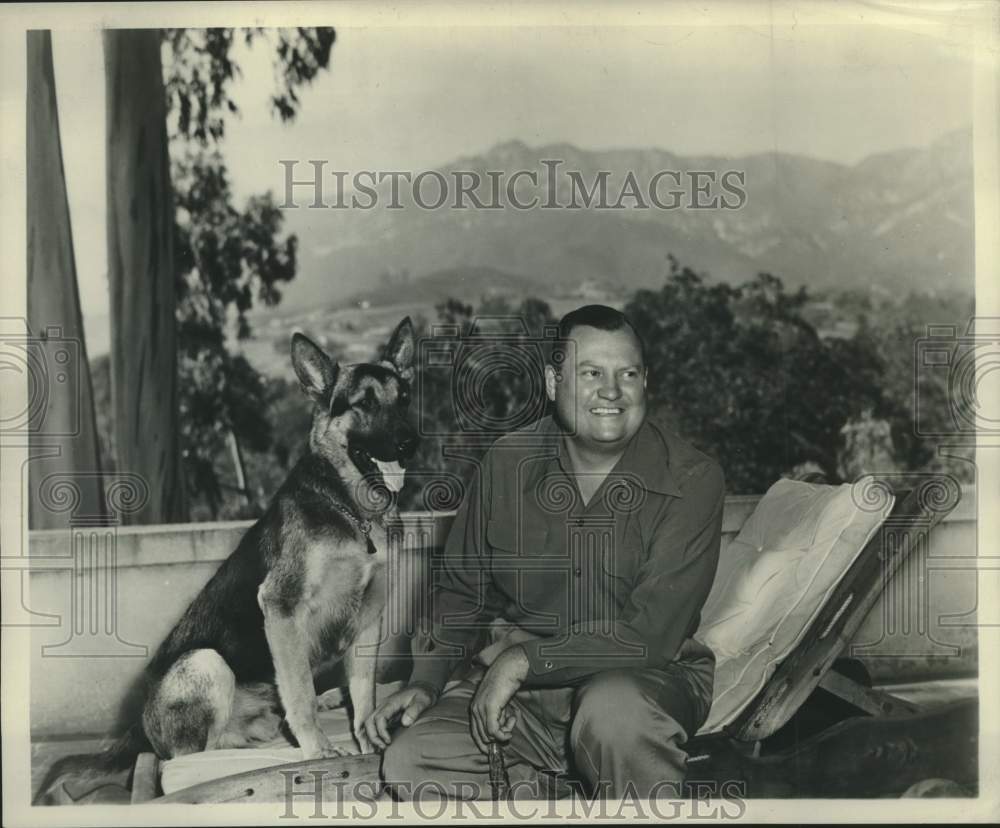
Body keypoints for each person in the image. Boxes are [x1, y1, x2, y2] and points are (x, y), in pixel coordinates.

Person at [365, 305, 725, 800]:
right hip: (525, 705)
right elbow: (461, 591)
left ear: (646, 383)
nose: (612, 391)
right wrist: (427, 681)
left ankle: (611, 777)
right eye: (591, 373)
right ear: (554, 383)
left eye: (628, 374)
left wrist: (520, 663)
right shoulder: (507, 462)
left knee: (613, 713)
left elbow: (650, 636)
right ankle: (560, 791)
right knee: (411, 760)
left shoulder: (693, 478)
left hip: (642, 686)